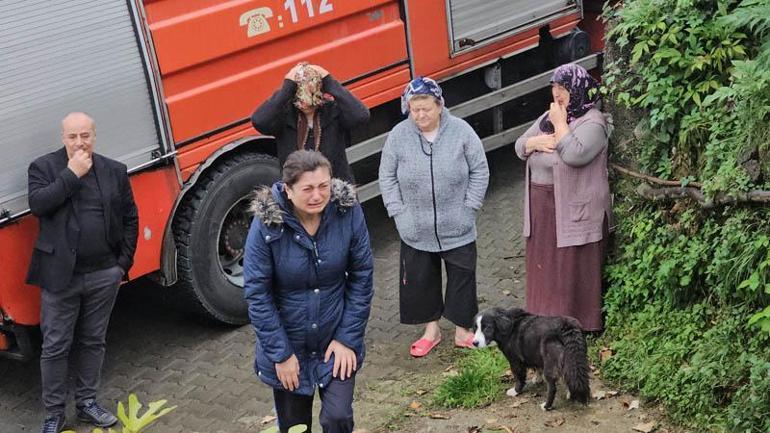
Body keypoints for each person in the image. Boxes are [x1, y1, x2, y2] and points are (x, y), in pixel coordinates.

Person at [244, 150, 373, 433]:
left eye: (324, 186)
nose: (318, 195)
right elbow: (257, 294)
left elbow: (362, 277)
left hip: (334, 339)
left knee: (337, 419)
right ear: (288, 191)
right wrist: (281, 354)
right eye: (308, 189)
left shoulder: (347, 212)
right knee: (295, 427)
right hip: (289, 346)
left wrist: (347, 339)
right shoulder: (267, 224)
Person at [27, 112, 139, 433]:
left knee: (93, 340)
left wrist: (122, 264)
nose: (80, 142)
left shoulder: (114, 170)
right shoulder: (43, 168)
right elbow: (39, 205)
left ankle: (88, 403)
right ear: (63, 137)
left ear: (94, 135)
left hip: (104, 273)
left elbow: (130, 217)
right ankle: (54, 414)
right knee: (55, 346)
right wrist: (71, 175)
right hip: (60, 277)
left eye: (85, 135)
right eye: (73, 136)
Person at [379, 77, 490, 357]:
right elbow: (387, 177)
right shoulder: (398, 136)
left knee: (463, 276)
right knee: (421, 281)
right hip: (415, 227)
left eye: (425, 108)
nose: (420, 115)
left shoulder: (461, 131)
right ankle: (432, 330)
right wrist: (398, 213)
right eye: (414, 110)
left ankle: (463, 330)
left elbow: (480, 170)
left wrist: (470, 207)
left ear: (439, 105)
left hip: (458, 224)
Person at [514, 63, 612, 332]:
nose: (557, 94)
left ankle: (575, 325)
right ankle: (542, 321)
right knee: (545, 266)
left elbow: (574, 155)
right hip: (542, 206)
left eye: (564, 88)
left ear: (578, 89)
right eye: (555, 88)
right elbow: (519, 144)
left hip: (574, 209)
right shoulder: (549, 116)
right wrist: (534, 143)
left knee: (569, 266)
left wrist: (560, 125)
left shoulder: (593, 122)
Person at [251, 62, 370, 183]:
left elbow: (361, 116)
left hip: (335, 189)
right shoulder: (285, 116)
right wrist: (287, 87)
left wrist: (328, 81)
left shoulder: (332, 111)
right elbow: (259, 121)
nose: (306, 102)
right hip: (298, 191)